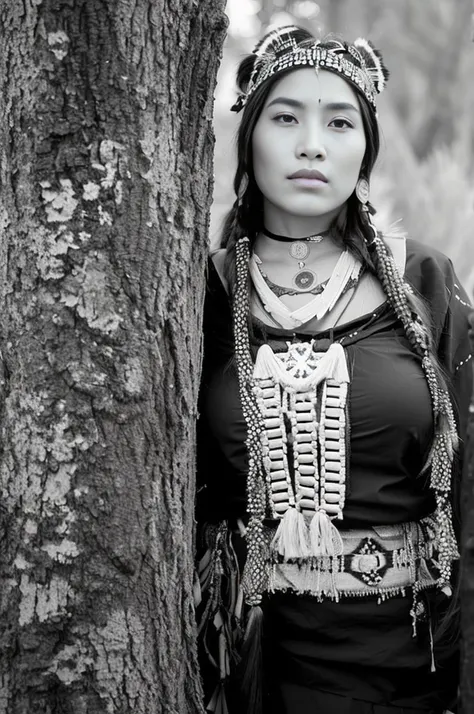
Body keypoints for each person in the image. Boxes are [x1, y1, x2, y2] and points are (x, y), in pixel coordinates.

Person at [195, 25, 472, 714]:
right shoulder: (199, 294)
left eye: (340, 121)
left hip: (411, 667)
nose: (312, 143)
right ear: (250, 135)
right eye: (286, 117)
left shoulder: (425, 285)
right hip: (252, 665)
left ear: (365, 149)